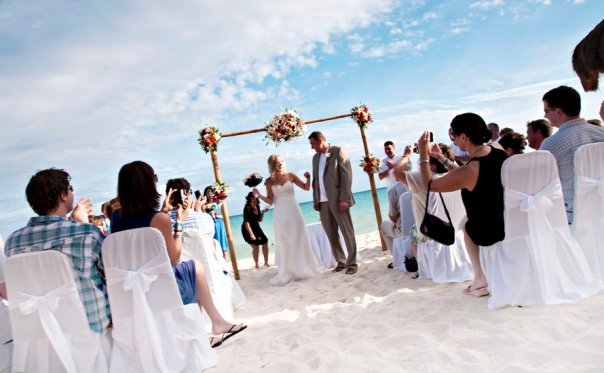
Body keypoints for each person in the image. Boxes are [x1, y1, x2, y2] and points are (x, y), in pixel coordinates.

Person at [110, 161, 246, 343]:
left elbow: (140, 229)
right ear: (148, 185)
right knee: (194, 268)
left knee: (189, 270)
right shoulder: (160, 219)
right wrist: (179, 223)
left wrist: (164, 211)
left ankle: (211, 326)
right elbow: (174, 258)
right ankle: (214, 323)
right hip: (163, 288)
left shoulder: (116, 219)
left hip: (134, 288)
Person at [4, 168, 110, 333]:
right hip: (92, 330)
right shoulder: (87, 233)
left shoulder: (13, 243)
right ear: (63, 195)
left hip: (45, 333)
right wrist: (84, 223)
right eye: (70, 189)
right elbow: (110, 270)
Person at [417, 113, 508, 296]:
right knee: (469, 223)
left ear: (464, 137)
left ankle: (480, 278)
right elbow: (465, 174)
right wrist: (441, 158)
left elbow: (429, 184)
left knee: (467, 227)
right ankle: (480, 277)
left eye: (455, 137)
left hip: (489, 230)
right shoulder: (497, 149)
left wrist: (423, 154)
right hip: (506, 217)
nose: (455, 142)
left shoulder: (472, 169)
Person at [540, 85, 604, 224]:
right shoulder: (601, 133)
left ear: (558, 111)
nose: (545, 115)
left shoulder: (551, 144)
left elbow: (543, 185)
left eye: (546, 111)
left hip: (573, 215)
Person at [255, 154, 321, 285]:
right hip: (280, 213)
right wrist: (259, 195)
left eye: (282, 161)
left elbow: (306, 188)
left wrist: (308, 178)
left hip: (294, 210)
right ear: (272, 165)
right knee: (285, 241)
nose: (281, 164)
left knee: (299, 237)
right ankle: (288, 269)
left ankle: (303, 267)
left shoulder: (291, 175)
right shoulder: (269, 181)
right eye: (277, 163)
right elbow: (270, 200)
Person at [308, 131, 358, 274]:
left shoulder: (338, 151)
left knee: (347, 232)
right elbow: (315, 181)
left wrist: (344, 198)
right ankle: (341, 262)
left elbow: (346, 177)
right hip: (322, 202)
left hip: (338, 200)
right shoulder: (315, 158)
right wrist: (315, 199)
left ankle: (352, 264)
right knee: (331, 234)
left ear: (320, 140)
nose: (312, 147)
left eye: (313, 144)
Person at [241, 192, 269, 269]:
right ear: (251, 198)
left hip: (256, 227)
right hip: (247, 228)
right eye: (255, 197)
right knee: (255, 246)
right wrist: (251, 234)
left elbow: (259, 219)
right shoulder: (247, 208)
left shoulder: (257, 206)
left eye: (257, 197)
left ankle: (266, 262)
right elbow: (246, 222)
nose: (257, 198)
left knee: (265, 242)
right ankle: (257, 264)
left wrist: (263, 212)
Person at [204, 186, 229, 260]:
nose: (209, 194)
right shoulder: (204, 205)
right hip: (210, 226)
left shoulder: (218, 203)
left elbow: (224, 216)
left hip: (219, 225)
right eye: (208, 192)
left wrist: (216, 215)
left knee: (223, 246)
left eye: (211, 192)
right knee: (215, 247)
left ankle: (226, 265)